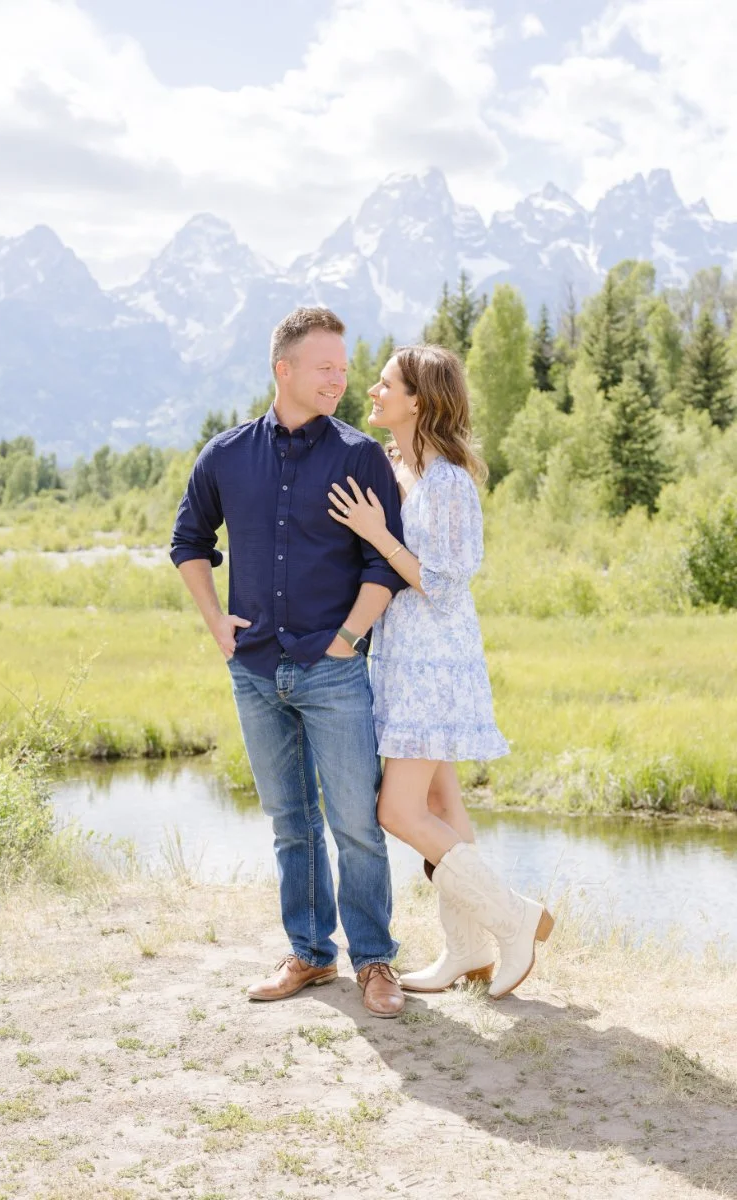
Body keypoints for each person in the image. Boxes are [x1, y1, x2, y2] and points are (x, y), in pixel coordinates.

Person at [170, 306, 409, 1018]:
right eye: (325, 367)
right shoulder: (225, 455)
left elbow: (384, 564)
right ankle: (309, 953)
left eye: (344, 367)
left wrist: (347, 639)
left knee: (356, 823)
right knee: (290, 821)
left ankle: (375, 961)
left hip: (333, 669)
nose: (340, 379)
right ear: (285, 369)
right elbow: (188, 542)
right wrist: (215, 621)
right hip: (253, 669)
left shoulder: (359, 455)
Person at [327, 344, 553, 1000]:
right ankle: (467, 950)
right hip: (400, 660)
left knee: (396, 809)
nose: (373, 391)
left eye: (386, 384)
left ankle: (511, 919)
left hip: (436, 664)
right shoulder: (396, 466)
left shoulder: (450, 482)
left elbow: (445, 583)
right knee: (440, 805)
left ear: (419, 401)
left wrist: (378, 533)